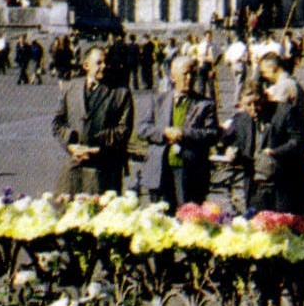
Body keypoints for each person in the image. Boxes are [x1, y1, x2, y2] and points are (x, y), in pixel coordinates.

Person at [52, 44, 134, 195]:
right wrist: (71, 145)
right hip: (73, 168)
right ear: (86, 65)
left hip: (104, 171)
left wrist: (97, 147)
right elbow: (58, 123)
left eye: (106, 62)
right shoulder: (69, 89)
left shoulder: (121, 93)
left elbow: (124, 129)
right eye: (99, 63)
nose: (105, 66)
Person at [140, 54, 220, 209]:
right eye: (185, 73)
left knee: (188, 217)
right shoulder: (158, 100)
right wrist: (164, 132)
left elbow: (213, 134)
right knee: (160, 218)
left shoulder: (205, 104)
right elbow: (143, 128)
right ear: (172, 76)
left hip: (190, 171)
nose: (189, 78)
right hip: (160, 170)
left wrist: (183, 133)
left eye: (193, 74)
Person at [255, 53, 304, 215]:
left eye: (264, 71)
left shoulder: (284, 87)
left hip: (284, 146)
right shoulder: (294, 83)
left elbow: (276, 121)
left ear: (273, 68)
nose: (264, 76)